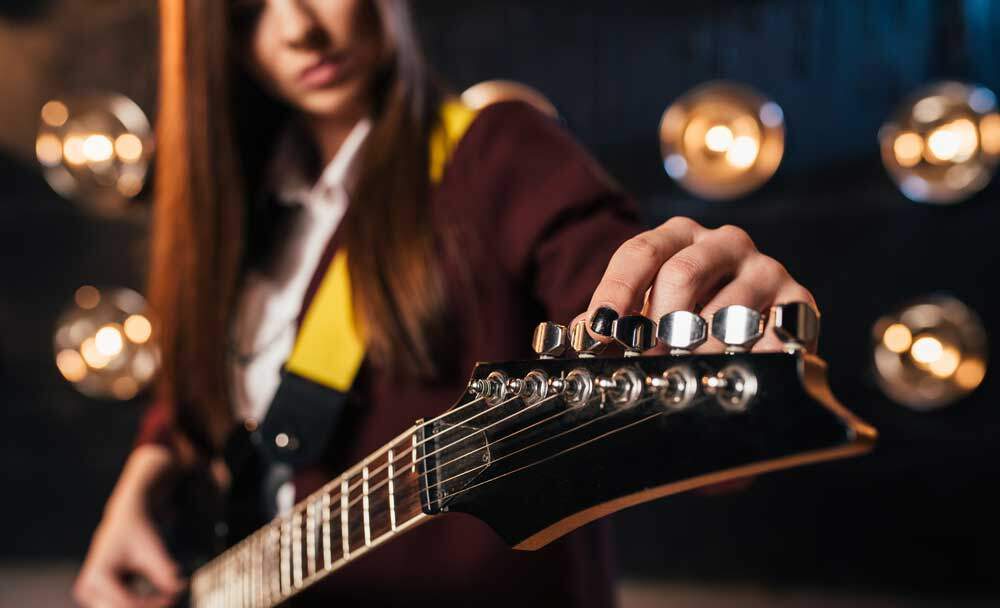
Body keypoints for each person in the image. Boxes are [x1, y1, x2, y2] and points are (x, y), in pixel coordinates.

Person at [73, 1, 816, 606]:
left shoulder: (497, 154)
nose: (297, 26)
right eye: (246, 12)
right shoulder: (235, 210)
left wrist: (713, 322)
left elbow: (618, 298)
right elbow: (208, 391)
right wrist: (145, 468)